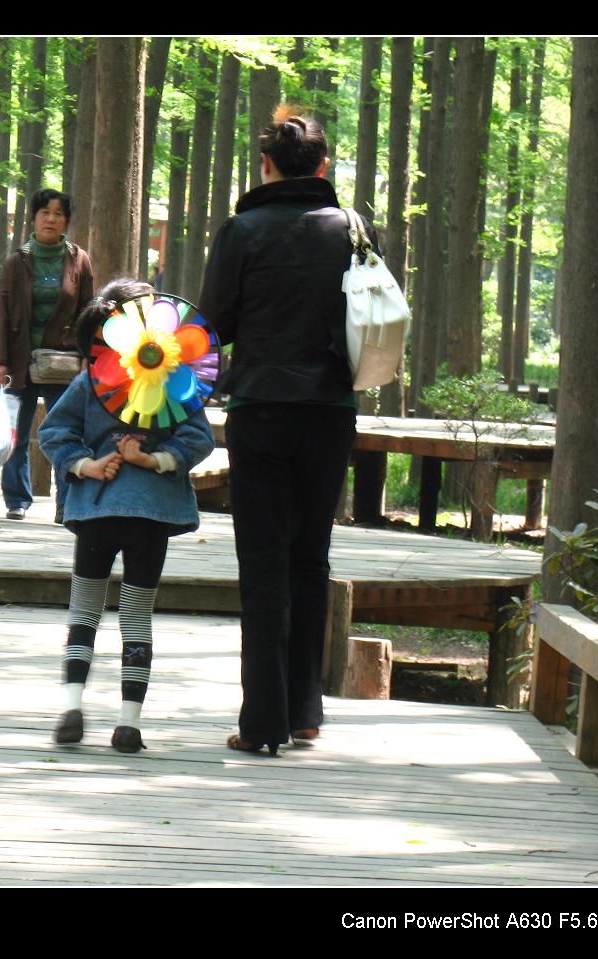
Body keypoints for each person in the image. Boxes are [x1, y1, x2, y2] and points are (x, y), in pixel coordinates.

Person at [199, 107, 378, 756]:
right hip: (330, 411)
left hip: (261, 408)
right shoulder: (355, 230)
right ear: (323, 168)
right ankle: (306, 712)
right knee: (311, 557)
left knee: (264, 563)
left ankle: (263, 722)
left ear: (267, 167)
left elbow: (212, 325)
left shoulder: (241, 231)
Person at [38, 278, 215, 754]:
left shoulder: (91, 379)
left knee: (85, 608)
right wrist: (154, 460)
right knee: (137, 615)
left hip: (97, 508)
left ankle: (72, 703)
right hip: (151, 514)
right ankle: (128, 723)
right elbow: (200, 439)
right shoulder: (176, 382)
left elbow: (54, 430)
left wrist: (86, 464)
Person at [0, 188, 94, 524]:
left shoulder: (79, 260)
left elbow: (90, 312)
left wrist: (91, 355)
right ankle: (17, 499)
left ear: (66, 221)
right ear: (33, 217)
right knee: (14, 434)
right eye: (45, 212)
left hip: (64, 363)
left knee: (67, 433)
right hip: (18, 362)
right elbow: (1, 313)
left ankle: (67, 503)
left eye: (58, 213)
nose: (51, 218)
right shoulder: (16, 261)